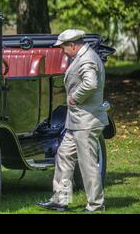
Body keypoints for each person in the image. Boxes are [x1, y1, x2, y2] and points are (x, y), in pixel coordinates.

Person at [37, 29, 109, 213]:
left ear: (72, 45)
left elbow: (90, 83)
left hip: (86, 121)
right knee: (63, 155)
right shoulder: (83, 56)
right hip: (77, 121)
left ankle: (95, 205)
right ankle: (60, 200)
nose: (62, 51)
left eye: (63, 48)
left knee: (88, 163)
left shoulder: (87, 59)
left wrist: (75, 97)